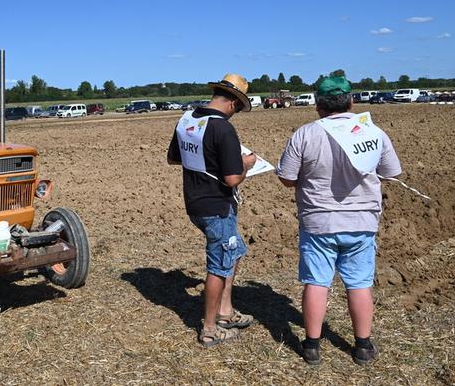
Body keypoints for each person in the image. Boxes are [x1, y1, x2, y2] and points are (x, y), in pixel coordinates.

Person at [276, 76, 402, 366]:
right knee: (358, 284)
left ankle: (311, 347)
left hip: (318, 222)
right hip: (362, 222)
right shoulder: (372, 133)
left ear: (318, 105)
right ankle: (363, 346)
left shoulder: (305, 134)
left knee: (316, 282)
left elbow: (286, 177)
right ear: (351, 101)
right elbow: (392, 172)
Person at [167, 73, 257, 348]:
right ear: (233, 103)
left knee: (235, 250)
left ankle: (225, 311)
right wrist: (246, 164)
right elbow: (232, 179)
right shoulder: (223, 128)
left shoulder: (188, 119)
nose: (236, 114)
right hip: (216, 206)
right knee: (218, 265)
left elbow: (173, 158)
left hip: (195, 202)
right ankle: (209, 329)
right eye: (239, 109)